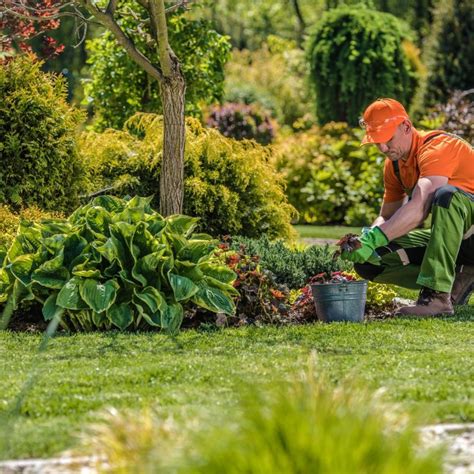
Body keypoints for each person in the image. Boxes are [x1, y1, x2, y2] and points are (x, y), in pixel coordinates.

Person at [340, 98, 474, 316]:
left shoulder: (438, 148)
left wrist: (375, 238)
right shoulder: (394, 165)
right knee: (371, 263)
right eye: (376, 142)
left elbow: (420, 206)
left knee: (446, 196)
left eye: (388, 139)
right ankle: (461, 277)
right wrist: (365, 241)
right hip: (459, 241)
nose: (383, 147)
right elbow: (387, 217)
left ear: (406, 127)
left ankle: (437, 296)